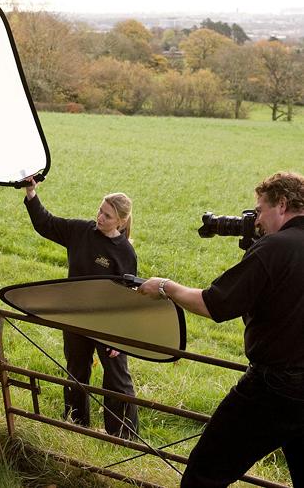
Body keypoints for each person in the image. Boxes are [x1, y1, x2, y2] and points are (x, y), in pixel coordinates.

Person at [138, 171, 304, 487]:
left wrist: (165, 286)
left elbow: (214, 304)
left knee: (205, 474)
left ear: (282, 204)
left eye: (260, 210)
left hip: (274, 389)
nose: (257, 220)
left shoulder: (275, 248)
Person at [21, 177, 139, 438]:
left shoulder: (125, 252)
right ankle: (76, 425)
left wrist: (120, 338)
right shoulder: (80, 232)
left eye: (107, 216)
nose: (100, 217)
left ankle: (123, 436)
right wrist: (31, 193)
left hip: (107, 324)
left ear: (120, 222)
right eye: (100, 211)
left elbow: (127, 298)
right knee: (76, 371)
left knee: (117, 379)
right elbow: (46, 223)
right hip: (75, 317)